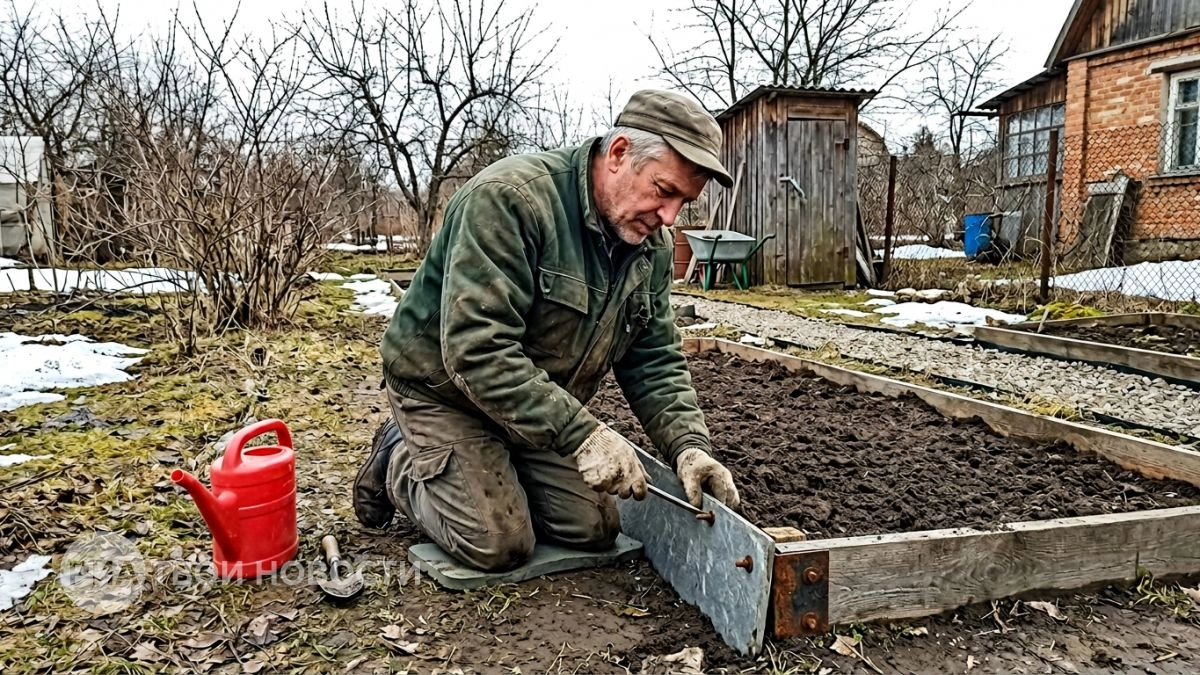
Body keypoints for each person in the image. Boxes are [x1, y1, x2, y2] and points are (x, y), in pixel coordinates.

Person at [352, 89, 741, 572]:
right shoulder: (511, 201)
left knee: (596, 528)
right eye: (664, 191)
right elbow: (477, 350)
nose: (670, 218)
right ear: (619, 153)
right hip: (444, 391)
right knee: (498, 543)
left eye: (684, 201)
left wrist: (689, 447)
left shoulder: (650, 247)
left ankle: (488, 468)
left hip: (530, 405)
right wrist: (581, 434)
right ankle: (398, 459)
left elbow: (653, 358)